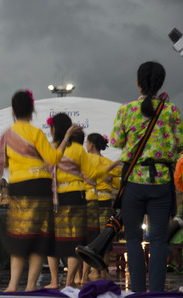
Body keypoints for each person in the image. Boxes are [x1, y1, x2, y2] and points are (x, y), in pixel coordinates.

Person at [0, 90, 81, 292]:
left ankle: (12, 285)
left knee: (19, 235)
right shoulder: (37, 134)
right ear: (32, 110)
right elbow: (53, 159)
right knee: (39, 238)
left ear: (13, 110)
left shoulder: (7, 135)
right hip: (41, 187)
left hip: (20, 187)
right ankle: (31, 286)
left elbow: (4, 163)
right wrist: (66, 137)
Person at [110, 61, 183, 292]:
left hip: (133, 181)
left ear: (138, 82)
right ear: (160, 83)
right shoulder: (171, 111)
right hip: (161, 181)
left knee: (132, 239)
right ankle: (157, 293)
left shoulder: (126, 110)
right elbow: (180, 143)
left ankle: (137, 293)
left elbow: (115, 141)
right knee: (160, 240)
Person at [45, 113, 102, 289]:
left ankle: (54, 281)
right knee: (74, 240)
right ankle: (69, 281)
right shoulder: (78, 149)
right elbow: (91, 174)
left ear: (55, 129)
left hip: (53, 197)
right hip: (75, 196)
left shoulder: (49, 148)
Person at [80, 133, 121, 283]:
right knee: (105, 237)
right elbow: (116, 184)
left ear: (91, 144)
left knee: (90, 236)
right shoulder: (107, 162)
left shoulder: (85, 160)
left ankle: (92, 272)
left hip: (90, 200)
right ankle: (103, 272)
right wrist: (107, 179)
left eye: (87, 142)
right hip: (105, 201)